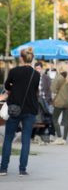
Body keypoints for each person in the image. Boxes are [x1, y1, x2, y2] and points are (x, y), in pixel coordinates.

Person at [0, 47, 40, 176]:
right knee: (26, 139)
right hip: (30, 109)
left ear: (21, 58)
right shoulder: (36, 74)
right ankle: (22, 169)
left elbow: (6, 86)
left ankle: (3, 168)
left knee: (8, 138)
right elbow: (34, 90)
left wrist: (13, 87)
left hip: (14, 109)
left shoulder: (14, 71)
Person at [51, 63, 68, 145]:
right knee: (66, 120)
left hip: (60, 101)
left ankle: (59, 137)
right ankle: (64, 138)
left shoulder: (59, 77)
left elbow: (53, 89)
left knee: (54, 118)